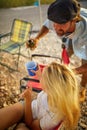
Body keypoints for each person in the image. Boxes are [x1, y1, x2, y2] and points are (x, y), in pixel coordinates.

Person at [26, 0, 87, 101]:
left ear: (74, 20)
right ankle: (64, 74)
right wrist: (37, 38)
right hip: (71, 36)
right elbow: (47, 25)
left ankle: (82, 88)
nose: (56, 27)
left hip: (83, 39)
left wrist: (73, 71)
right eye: (55, 23)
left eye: (61, 24)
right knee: (66, 53)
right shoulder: (61, 17)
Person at [0, 62, 80, 130]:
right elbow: (48, 84)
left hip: (32, 123)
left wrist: (28, 100)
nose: (40, 80)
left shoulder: (54, 117)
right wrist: (39, 75)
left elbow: (30, 124)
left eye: (43, 78)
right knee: (14, 110)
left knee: (21, 127)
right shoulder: (55, 94)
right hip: (31, 107)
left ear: (50, 88)